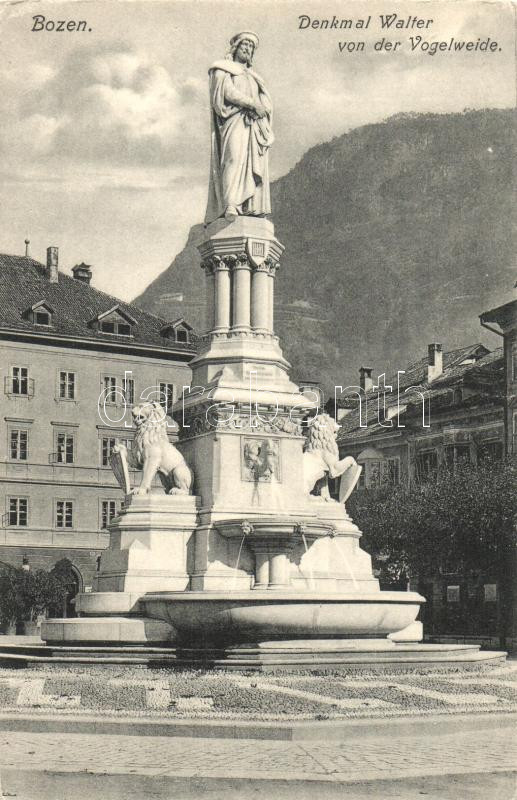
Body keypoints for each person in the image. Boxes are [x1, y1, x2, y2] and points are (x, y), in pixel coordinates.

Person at [205, 31, 274, 224]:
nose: (248, 49)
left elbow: (265, 102)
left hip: (253, 125)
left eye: (252, 47)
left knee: (252, 164)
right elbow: (226, 92)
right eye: (245, 45)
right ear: (235, 47)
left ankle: (250, 206)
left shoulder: (254, 77)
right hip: (233, 121)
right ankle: (230, 204)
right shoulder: (223, 69)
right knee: (233, 158)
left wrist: (262, 108)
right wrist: (251, 104)